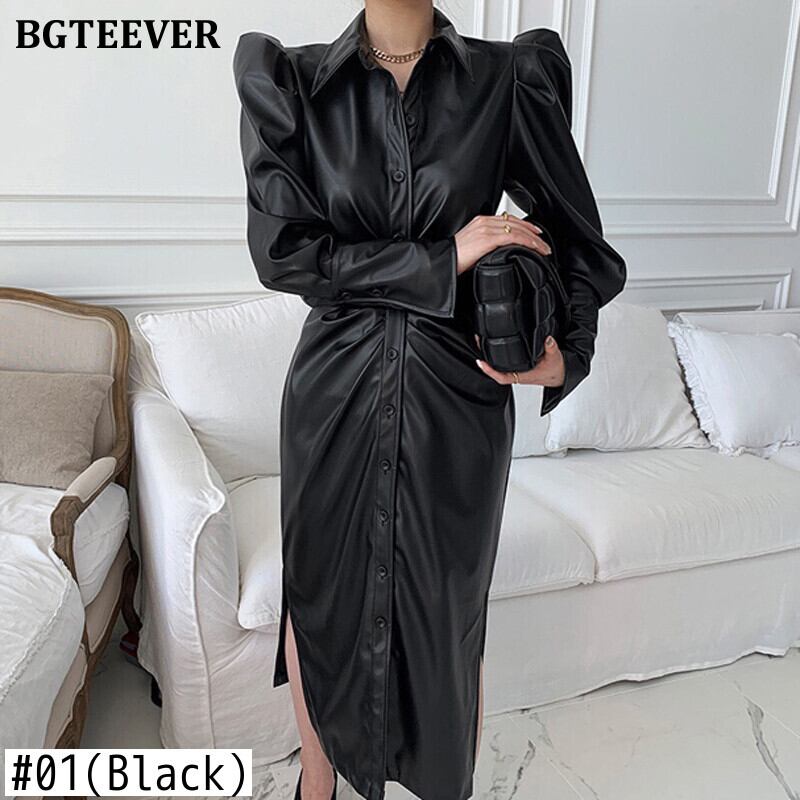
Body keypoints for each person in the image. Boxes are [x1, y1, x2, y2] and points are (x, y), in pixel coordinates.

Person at [232, 2, 626, 798]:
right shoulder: (292, 81)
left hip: (458, 397)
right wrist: (443, 257)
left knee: (449, 615)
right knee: (319, 599)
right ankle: (318, 782)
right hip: (333, 391)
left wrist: (568, 353)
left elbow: (581, 240)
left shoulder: (507, 80)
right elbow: (285, 255)